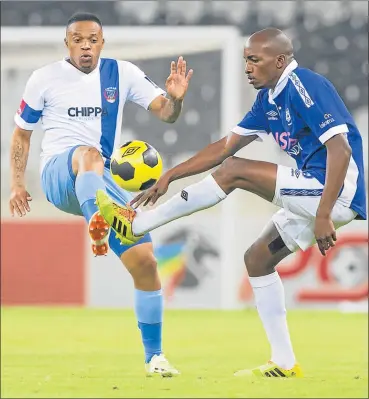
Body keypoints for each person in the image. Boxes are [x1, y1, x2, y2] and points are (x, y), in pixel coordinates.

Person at [95, 28, 367, 378]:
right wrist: (170, 175)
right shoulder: (268, 100)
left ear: (280, 61)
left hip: (334, 191)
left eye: (255, 60)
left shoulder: (305, 87)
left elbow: (340, 149)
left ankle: (135, 225)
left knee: (235, 172)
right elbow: (224, 147)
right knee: (257, 259)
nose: (248, 68)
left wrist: (324, 214)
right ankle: (284, 363)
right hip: (315, 193)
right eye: (245, 61)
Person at [9, 12, 193, 377]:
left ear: (102, 42)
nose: (85, 45)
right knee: (87, 153)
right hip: (60, 176)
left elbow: (166, 114)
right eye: (77, 39)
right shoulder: (43, 78)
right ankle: (98, 220)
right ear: (68, 44)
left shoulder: (121, 74)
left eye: (92, 39)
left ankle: (154, 358)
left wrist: (175, 99)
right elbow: (22, 135)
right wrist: (16, 183)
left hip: (101, 181)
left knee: (147, 264)